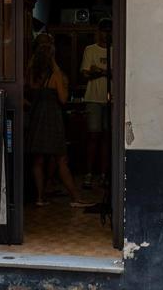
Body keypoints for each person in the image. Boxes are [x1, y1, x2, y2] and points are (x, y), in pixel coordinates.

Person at [26, 33, 93, 208]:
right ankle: (75, 197)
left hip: (36, 117)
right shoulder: (55, 75)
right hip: (52, 117)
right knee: (61, 159)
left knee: (38, 159)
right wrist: (56, 69)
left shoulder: (32, 73)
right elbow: (63, 99)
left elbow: (31, 93)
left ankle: (40, 198)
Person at [81, 19, 112, 188]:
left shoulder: (116, 50)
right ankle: (89, 174)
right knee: (93, 136)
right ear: (99, 31)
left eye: (109, 31)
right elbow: (85, 73)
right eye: (104, 30)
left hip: (111, 99)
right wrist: (104, 72)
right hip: (93, 98)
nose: (106, 34)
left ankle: (104, 173)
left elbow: (119, 73)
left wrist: (98, 71)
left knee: (107, 138)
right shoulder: (90, 50)